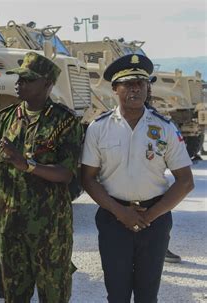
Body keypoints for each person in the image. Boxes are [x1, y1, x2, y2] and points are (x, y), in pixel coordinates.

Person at [0, 52, 84, 302]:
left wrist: (27, 165)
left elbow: (66, 174)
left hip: (51, 231)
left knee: (53, 295)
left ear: (47, 84)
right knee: (14, 296)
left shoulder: (64, 122)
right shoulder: (5, 118)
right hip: (12, 227)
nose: (19, 84)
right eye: (19, 79)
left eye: (27, 80)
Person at [81, 54, 194, 302]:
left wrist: (149, 216)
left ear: (147, 88)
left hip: (155, 220)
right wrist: (121, 213)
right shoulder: (99, 128)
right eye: (128, 83)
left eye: (141, 83)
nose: (135, 88)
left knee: (147, 295)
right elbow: (88, 178)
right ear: (114, 89)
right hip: (113, 218)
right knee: (117, 294)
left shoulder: (164, 127)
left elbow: (185, 181)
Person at [147, 76, 182, 264]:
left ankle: (161, 247)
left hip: (152, 176)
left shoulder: (156, 117)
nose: (149, 89)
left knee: (159, 212)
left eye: (148, 84)